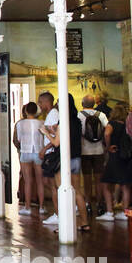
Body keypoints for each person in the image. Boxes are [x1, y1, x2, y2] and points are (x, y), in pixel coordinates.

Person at [43, 93, 90, 230]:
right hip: (76, 158)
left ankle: (64, 225)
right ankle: (84, 223)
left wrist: (46, 132)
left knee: (62, 190)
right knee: (77, 192)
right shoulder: (76, 120)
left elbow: (56, 143)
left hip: (64, 159)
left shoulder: (62, 120)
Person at [99, 102, 132, 220]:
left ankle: (109, 212)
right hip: (126, 156)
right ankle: (125, 212)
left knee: (106, 184)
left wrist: (108, 147)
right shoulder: (126, 125)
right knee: (126, 185)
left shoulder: (112, 123)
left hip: (114, 156)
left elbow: (107, 133)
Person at [78, 94, 109, 213]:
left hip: (84, 150)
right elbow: (107, 129)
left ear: (82, 103)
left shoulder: (79, 115)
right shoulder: (101, 115)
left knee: (86, 179)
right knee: (98, 178)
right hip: (99, 150)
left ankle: (88, 203)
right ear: (94, 104)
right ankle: (100, 203)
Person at [14, 102, 45, 216]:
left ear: (26, 111)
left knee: (27, 181)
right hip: (38, 152)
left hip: (25, 152)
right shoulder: (41, 123)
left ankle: (27, 207)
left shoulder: (20, 124)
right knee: (39, 181)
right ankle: (41, 207)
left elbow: (18, 139)